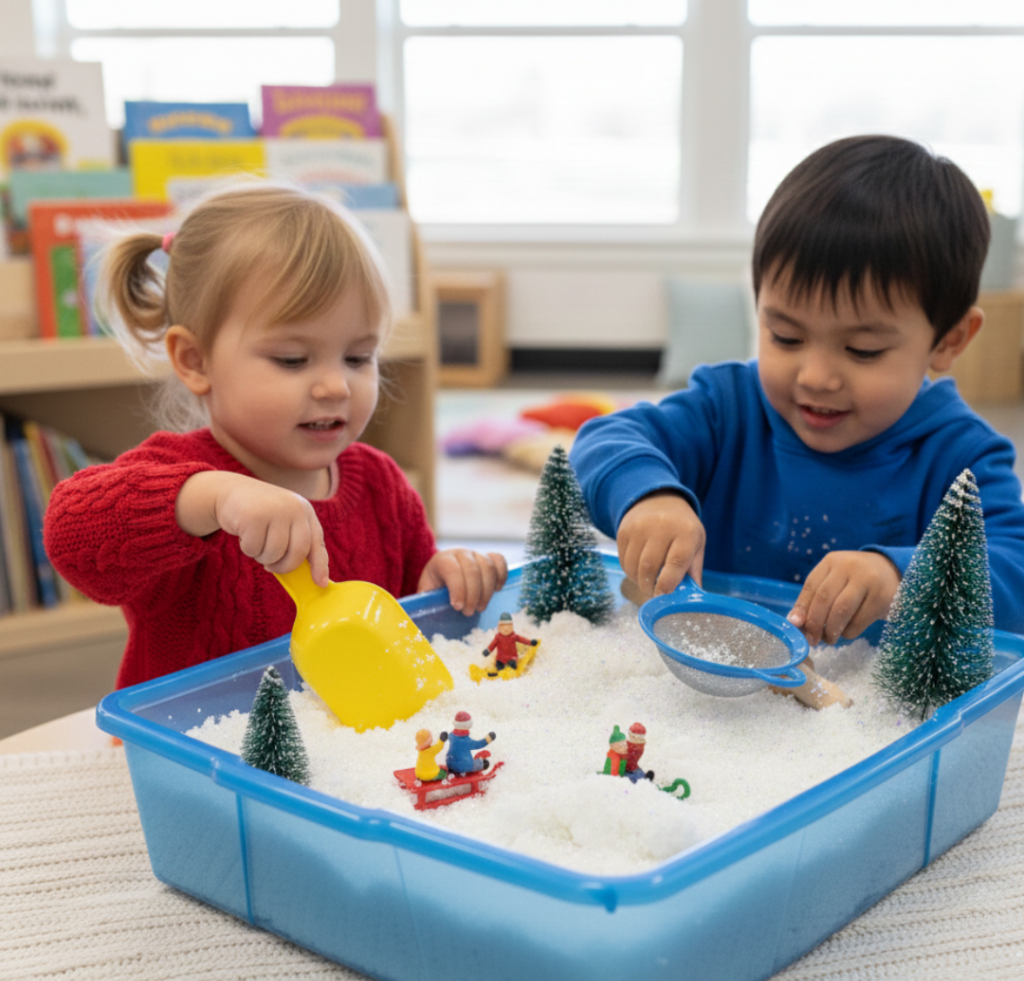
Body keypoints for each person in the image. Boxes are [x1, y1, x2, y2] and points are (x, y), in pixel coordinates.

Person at [43, 181, 507, 689]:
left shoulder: (382, 485)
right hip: (196, 738)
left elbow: (406, 624)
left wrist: (440, 584)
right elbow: (72, 537)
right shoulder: (176, 476)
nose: (335, 386)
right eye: (292, 360)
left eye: (358, 357)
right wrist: (213, 498)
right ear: (195, 361)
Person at [571, 135, 1024, 643]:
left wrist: (898, 577)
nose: (815, 377)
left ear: (949, 340)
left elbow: (1015, 568)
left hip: (869, 692)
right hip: (709, 673)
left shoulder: (961, 456)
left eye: (863, 350)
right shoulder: (727, 409)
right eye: (786, 337)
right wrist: (649, 496)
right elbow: (604, 441)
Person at [444, 711, 495, 776]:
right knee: (485, 763)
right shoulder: (466, 741)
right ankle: (465, 770)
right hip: (463, 766)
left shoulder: (451, 735)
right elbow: (478, 744)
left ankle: (455, 767)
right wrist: (488, 739)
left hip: (450, 763)